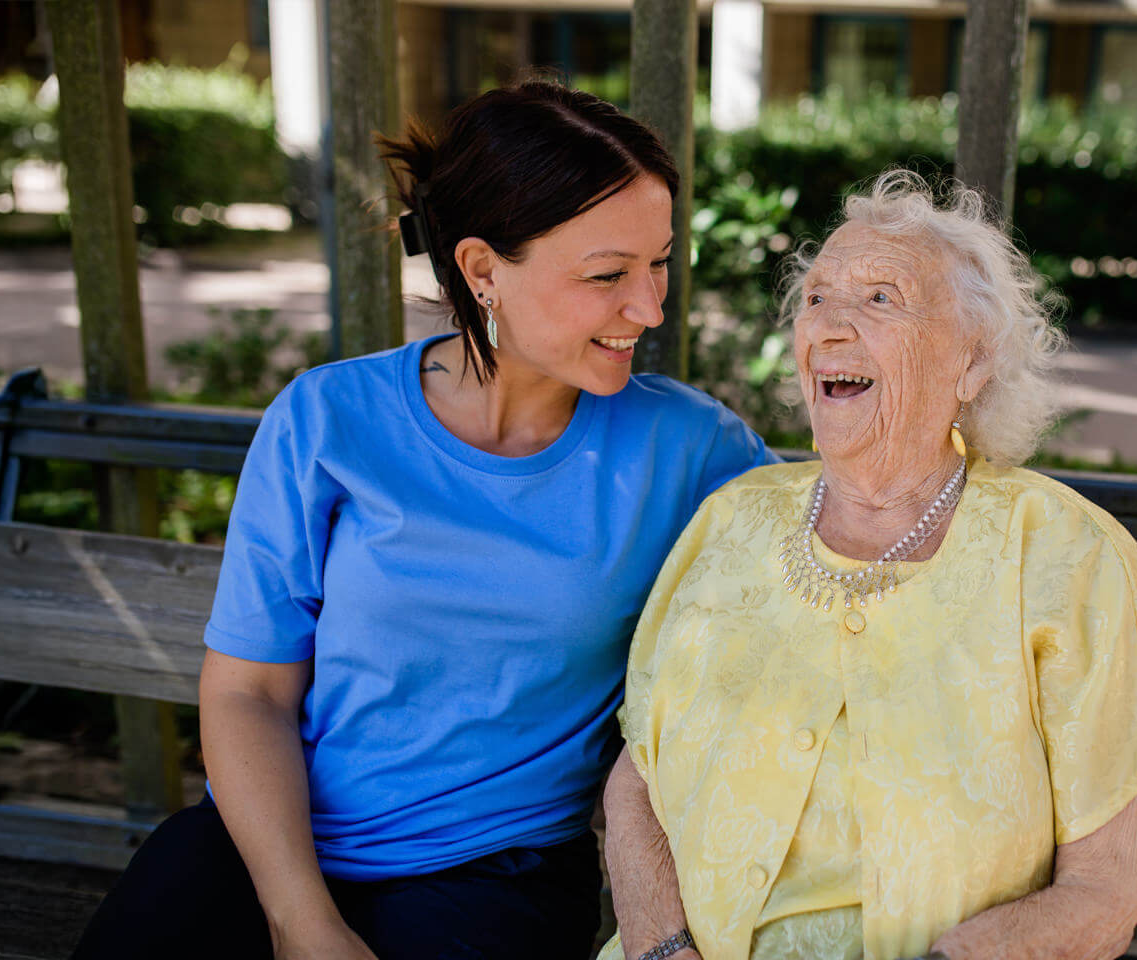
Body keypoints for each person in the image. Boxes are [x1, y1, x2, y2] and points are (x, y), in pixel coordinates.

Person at [69, 81, 775, 960]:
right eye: (608, 275)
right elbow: (249, 692)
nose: (651, 307)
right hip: (265, 851)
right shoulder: (329, 418)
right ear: (483, 270)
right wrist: (301, 919)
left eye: (660, 262)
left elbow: (855, 541)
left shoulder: (690, 447)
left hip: (495, 877)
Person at [599, 171, 1137, 960]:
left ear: (973, 363)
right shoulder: (731, 523)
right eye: (815, 299)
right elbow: (637, 786)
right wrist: (665, 951)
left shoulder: (1062, 556)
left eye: (881, 299)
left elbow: (1104, 896)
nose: (830, 326)